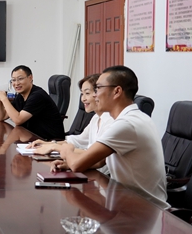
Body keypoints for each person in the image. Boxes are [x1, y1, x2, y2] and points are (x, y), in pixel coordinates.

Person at [53, 65, 169, 209]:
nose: (95, 95)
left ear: (117, 91)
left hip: (144, 209)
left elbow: (77, 165)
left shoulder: (126, 124)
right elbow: (99, 161)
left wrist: (67, 150)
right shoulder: (133, 117)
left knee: (73, 205)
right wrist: (68, 163)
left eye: (98, 88)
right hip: (126, 201)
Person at [27, 74, 114, 174]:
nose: (83, 99)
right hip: (91, 170)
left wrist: (55, 147)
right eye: (82, 94)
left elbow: (95, 156)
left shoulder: (111, 121)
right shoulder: (96, 118)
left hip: (102, 175)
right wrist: (49, 143)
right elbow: (78, 140)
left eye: (87, 93)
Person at [0, 65, 65, 141]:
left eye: (20, 79)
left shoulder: (38, 96)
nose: (16, 83)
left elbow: (18, 120)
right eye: (13, 80)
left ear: (30, 78)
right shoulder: (21, 95)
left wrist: (4, 99)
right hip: (33, 137)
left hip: (49, 141)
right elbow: (1, 117)